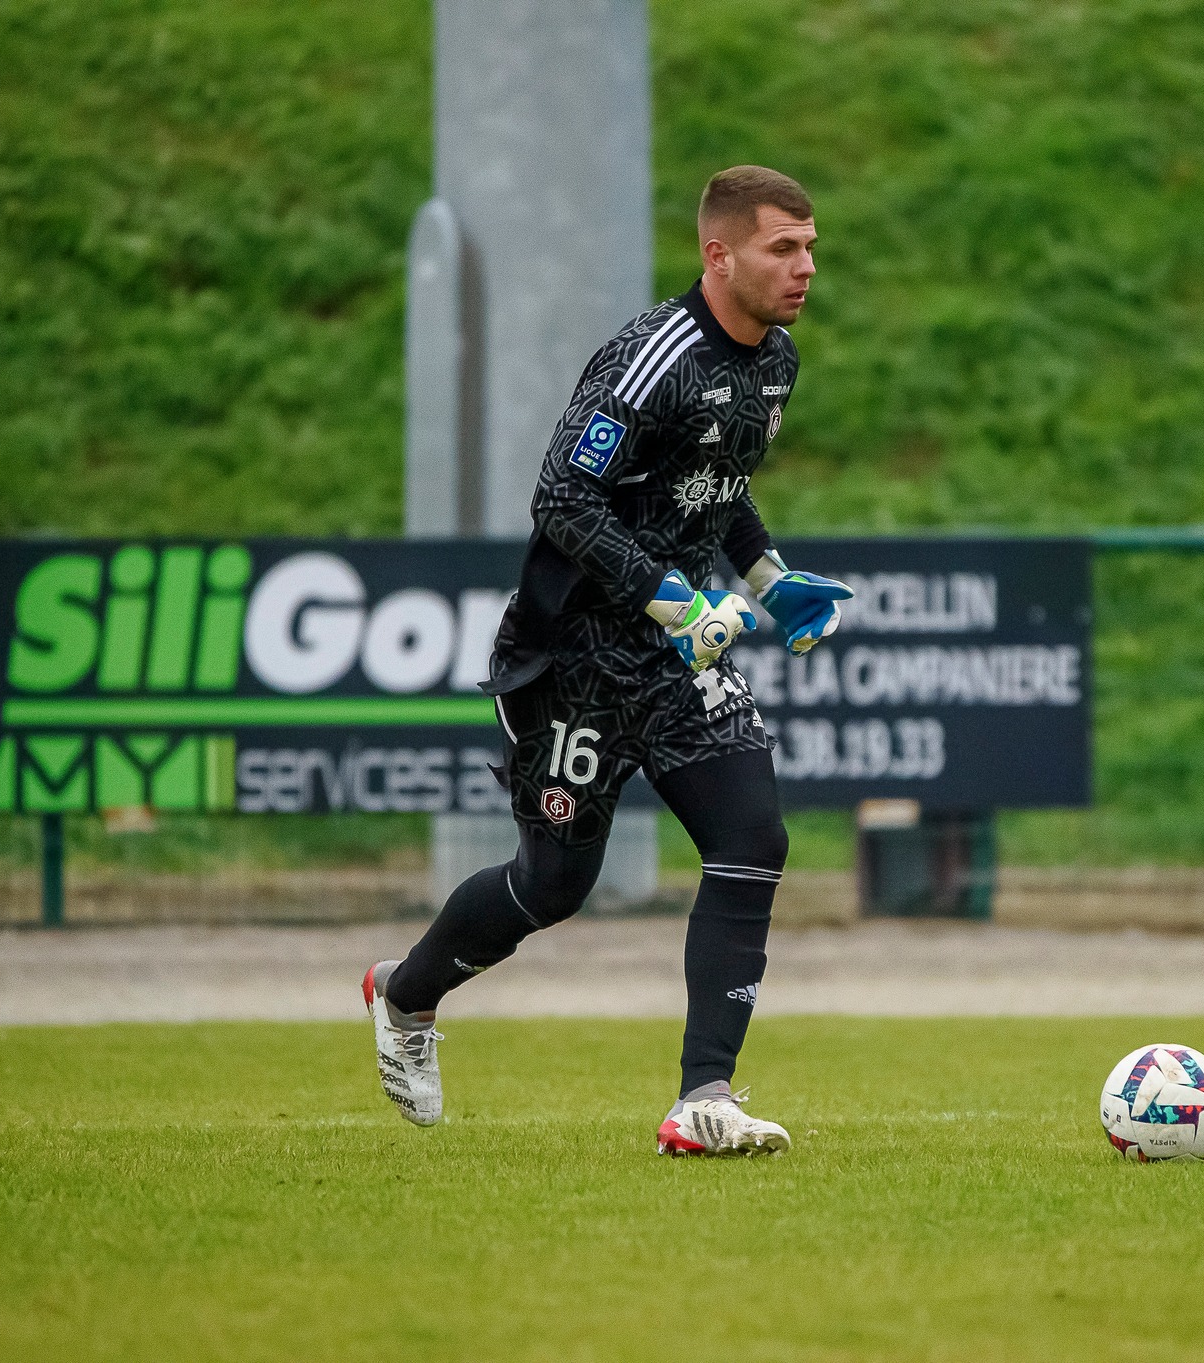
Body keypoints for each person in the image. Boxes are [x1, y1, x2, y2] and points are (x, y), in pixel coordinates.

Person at [363, 166, 850, 1156]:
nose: (803, 267)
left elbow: (715, 487)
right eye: (781, 248)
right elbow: (561, 499)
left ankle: (701, 1095)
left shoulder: (775, 363)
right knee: (552, 886)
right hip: (570, 661)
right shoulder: (649, 360)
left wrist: (767, 580)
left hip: (676, 664)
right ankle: (404, 998)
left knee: (752, 836)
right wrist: (673, 599)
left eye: (808, 247)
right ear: (718, 255)